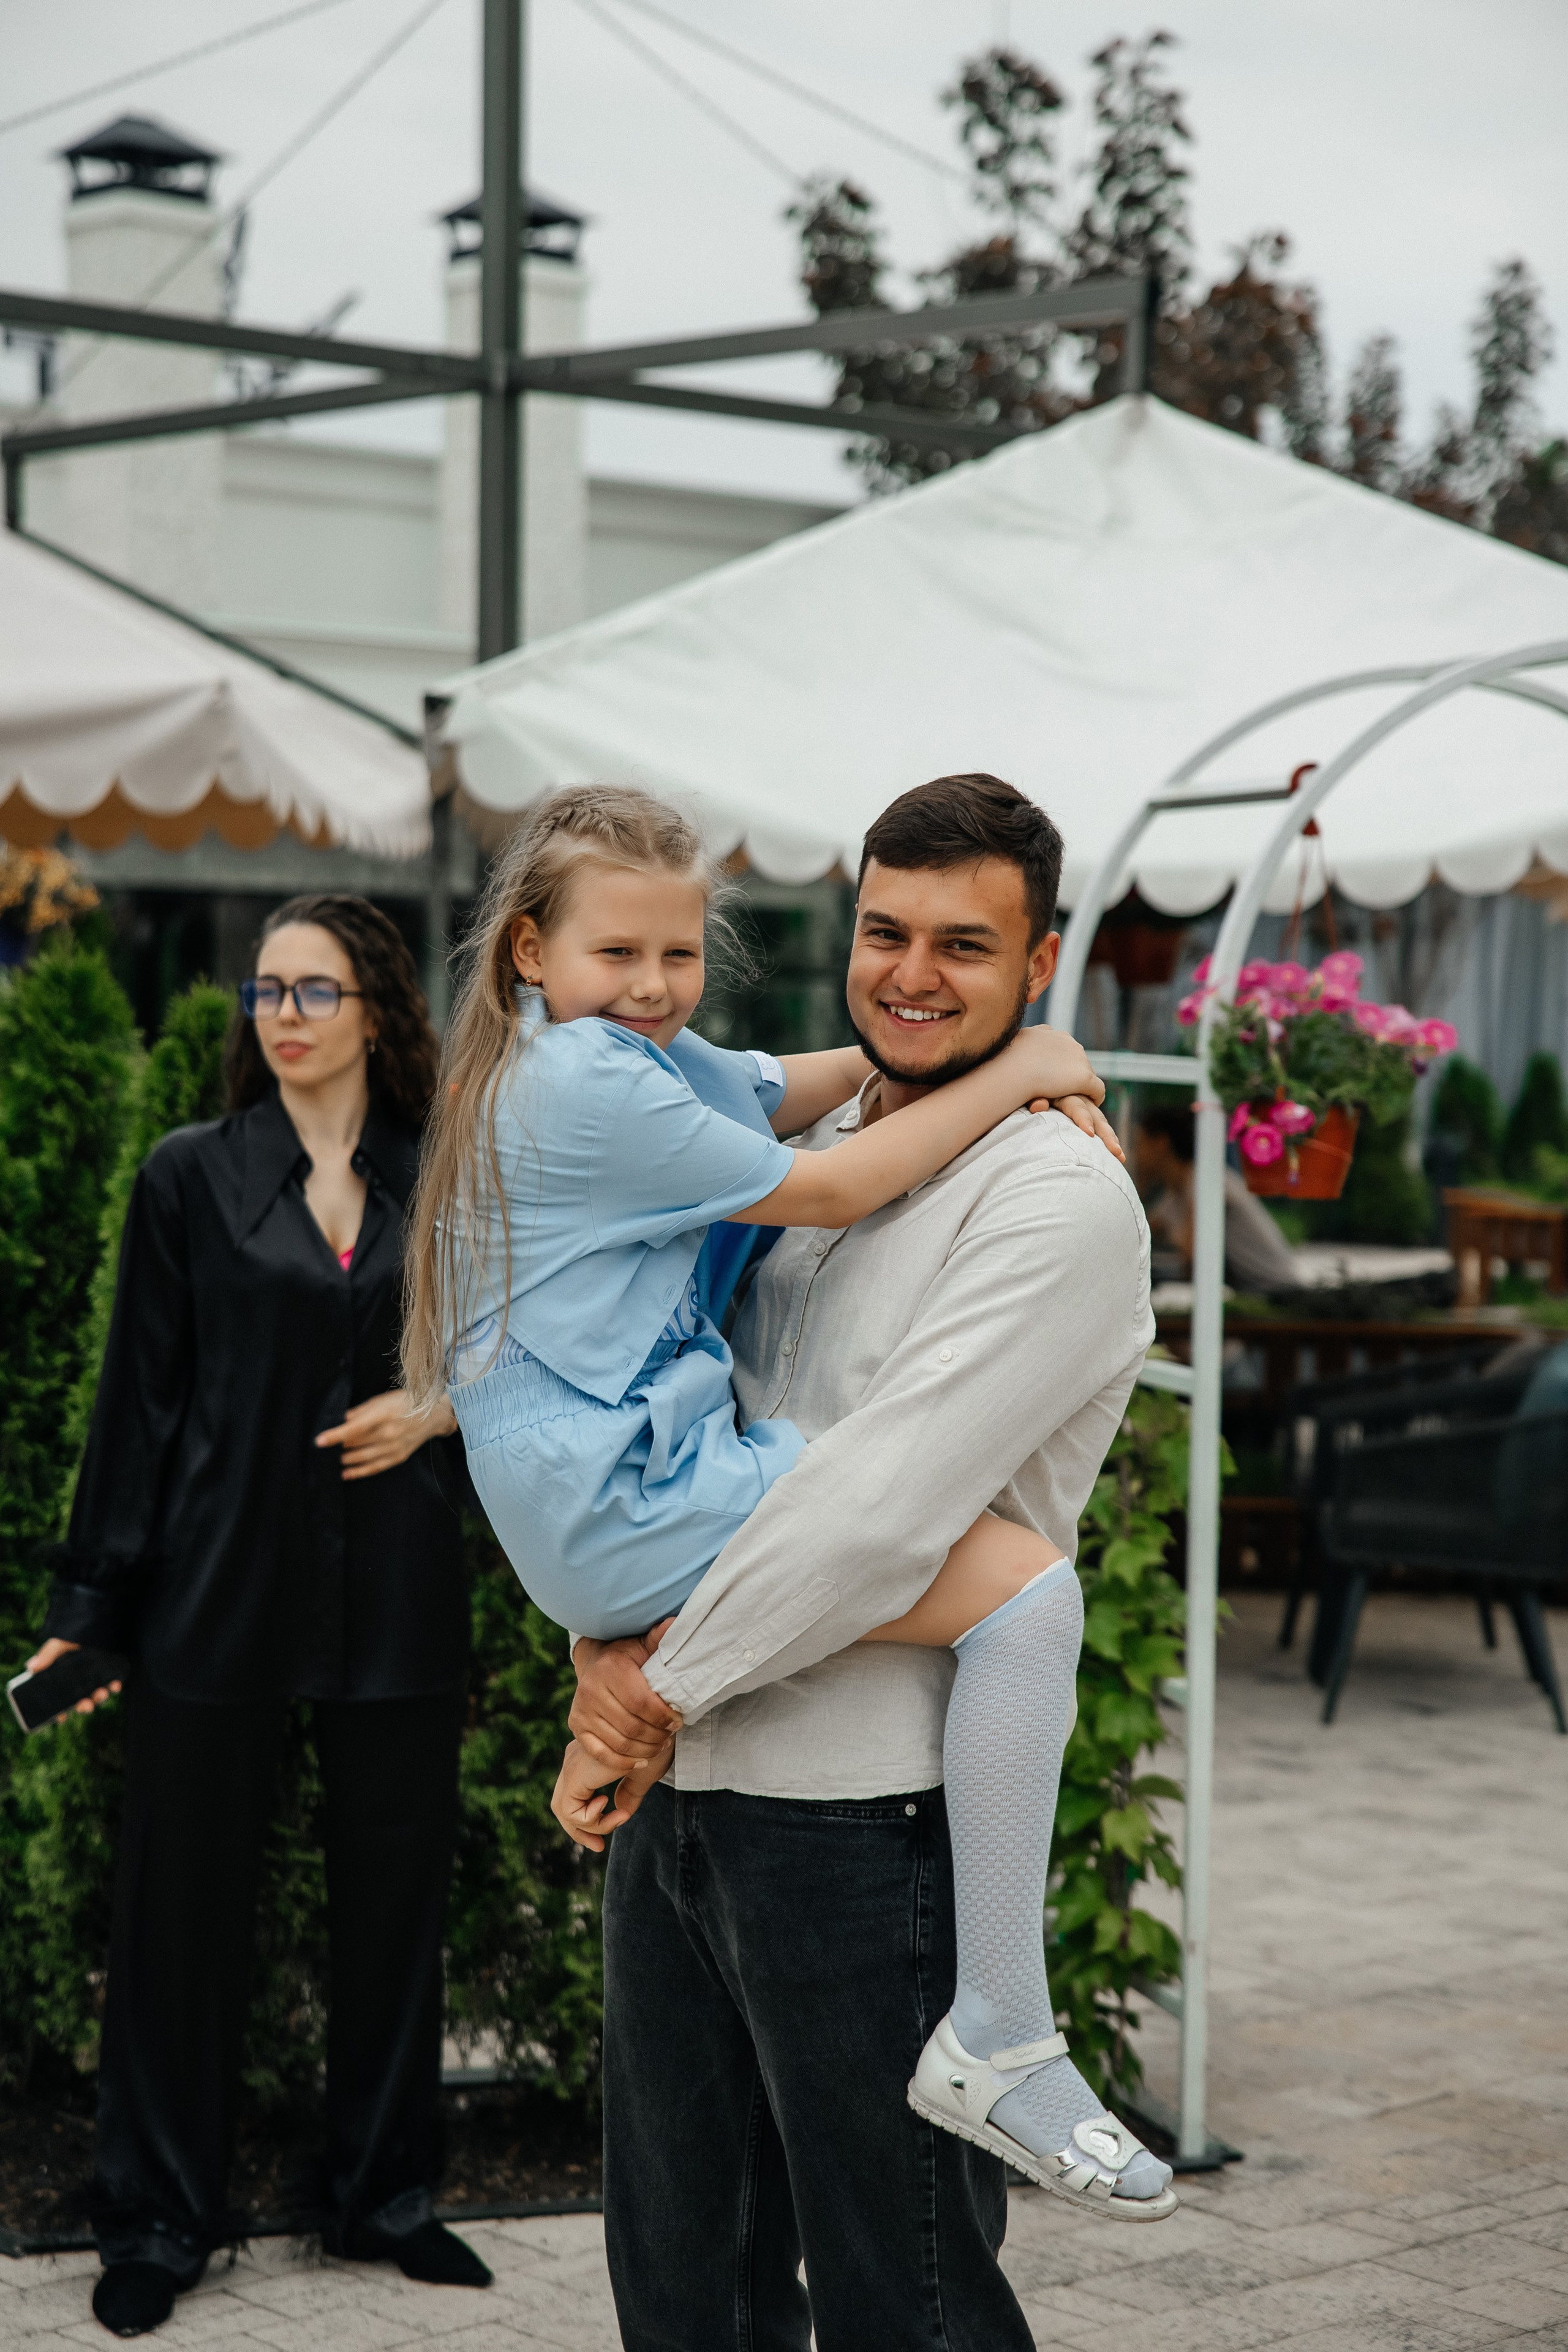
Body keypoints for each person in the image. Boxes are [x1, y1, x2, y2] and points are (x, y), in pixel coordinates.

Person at [401, 792, 1163, 2225]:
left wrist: (638, 1683)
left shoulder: (1048, 1190)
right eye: (882, 931)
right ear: (525, 948)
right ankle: (1005, 2025)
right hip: (685, 1775)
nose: (909, 973)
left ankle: (1000, 2026)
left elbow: (864, 1518)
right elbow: (811, 1196)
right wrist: (1015, 1072)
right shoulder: (613, 1081)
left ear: (1037, 959)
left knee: (899, 2296)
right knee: (690, 2283)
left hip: (843, 1807)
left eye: (964, 944)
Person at [27, 895, 489, 2341]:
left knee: (395, 1908)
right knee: (179, 1919)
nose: (284, 1015)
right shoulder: (188, 1178)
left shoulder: (448, 1178)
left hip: (401, 1590)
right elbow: (136, 1410)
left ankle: (383, 2193)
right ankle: (160, 2215)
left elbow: (534, 1348)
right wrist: (88, 1607)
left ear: (376, 1009)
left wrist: (442, 1404)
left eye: (316, 989)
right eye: (266, 990)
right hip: (214, 1592)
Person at [1134, 1099, 1300, 1294]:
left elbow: (1191, 1261)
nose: (1134, 1152)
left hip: (1278, 1296)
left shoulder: (1206, 1183)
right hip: (1252, 1294)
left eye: (1139, 1143)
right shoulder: (1176, 1192)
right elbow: (1136, 1235)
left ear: (1161, 1143)